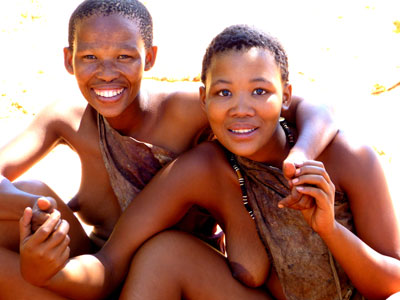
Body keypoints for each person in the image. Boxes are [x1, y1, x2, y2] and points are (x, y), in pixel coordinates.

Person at [20, 24, 400, 299]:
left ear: (286, 96)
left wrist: (331, 229)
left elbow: (388, 284)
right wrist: (50, 273)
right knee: (164, 253)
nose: (240, 109)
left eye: (259, 91)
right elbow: (111, 262)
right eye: (223, 92)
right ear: (203, 100)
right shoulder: (203, 167)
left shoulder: (348, 159)